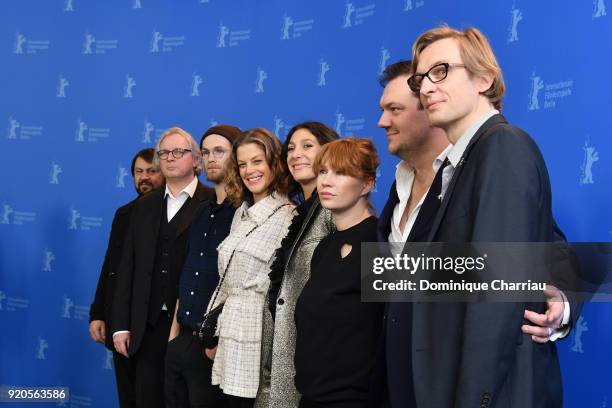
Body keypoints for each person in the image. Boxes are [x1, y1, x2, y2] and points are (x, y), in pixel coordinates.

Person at [375, 59, 580, 407]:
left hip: (454, 387)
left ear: (429, 110)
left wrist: (561, 301)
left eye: (394, 109)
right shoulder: (397, 187)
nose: (382, 122)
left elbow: (551, 247)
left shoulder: (484, 169)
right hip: (399, 386)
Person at [112, 127, 213, 408]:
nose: (170, 158)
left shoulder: (214, 201)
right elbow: (127, 267)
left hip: (192, 328)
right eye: (164, 153)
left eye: (178, 152)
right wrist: (120, 325)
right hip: (147, 326)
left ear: (196, 161)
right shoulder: (144, 207)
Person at [206, 128, 294, 408]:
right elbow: (227, 281)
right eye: (242, 164)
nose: (249, 171)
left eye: (257, 161)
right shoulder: (239, 215)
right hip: (228, 336)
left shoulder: (289, 216)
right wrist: (212, 330)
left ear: (274, 163)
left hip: (258, 339)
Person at [294, 137, 383, 408]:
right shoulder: (323, 247)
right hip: (311, 398)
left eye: (341, 173)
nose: (326, 182)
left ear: (367, 184)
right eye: (323, 171)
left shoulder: (380, 244)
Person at [255, 122, 339, 408]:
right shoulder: (298, 213)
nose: (295, 154)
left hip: (315, 364)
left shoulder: (335, 210)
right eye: (290, 148)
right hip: (277, 355)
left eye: (307, 146)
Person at [164, 125, 242, 408]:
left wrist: (218, 341)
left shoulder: (244, 214)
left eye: (220, 151)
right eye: (206, 152)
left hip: (214, 347)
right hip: (181, 339)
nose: (211, 158)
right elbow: (187, 271)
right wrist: (174, 334)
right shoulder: (201, 211)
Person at [89, 148, 164, 407]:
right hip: (121, 321)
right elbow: (111, 266)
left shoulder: (177, 214)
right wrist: (98, 312)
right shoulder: (124, 213)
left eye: (152, 171)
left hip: (156, 326)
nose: (145, 178)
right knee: (128, 397)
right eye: (139, 172)